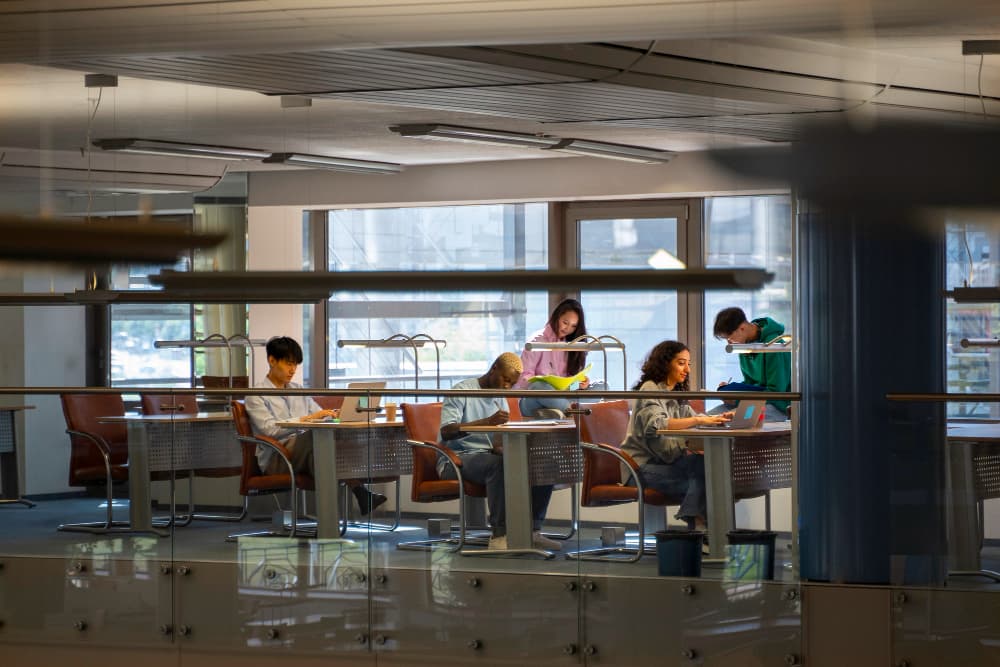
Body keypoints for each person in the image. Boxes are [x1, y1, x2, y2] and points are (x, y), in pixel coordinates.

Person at [245, 336, 387, 516]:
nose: (293, 370)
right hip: (277, 458)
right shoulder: (256, 395)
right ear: (272, 360)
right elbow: (269, 430)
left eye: (295, 364)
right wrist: (308, 419)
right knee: (318, 439)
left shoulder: (298, 390)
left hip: (306, 452)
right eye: (288, 363)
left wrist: (333, 416)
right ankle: (359, 491)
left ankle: (331, 522)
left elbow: (320, 416)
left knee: (321, 454)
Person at [439, 352, 559, 551]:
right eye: (505, 379)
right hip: (457, 459)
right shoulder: (462, 390)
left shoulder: (499, 397)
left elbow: (495, 443)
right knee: (498, 466)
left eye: (511, 384)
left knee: (542, 463)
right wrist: (486, 423)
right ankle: (499, 535)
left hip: (487, 455)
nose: (507, 387)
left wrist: (512, 453)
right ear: (494, 368)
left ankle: (532, 531)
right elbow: (447, 431)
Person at [621, 340, 731, 532]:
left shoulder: (674, 394)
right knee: (706, 483)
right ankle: (699, 527)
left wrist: (717, 418)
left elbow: (693, 418)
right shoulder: (649, 389)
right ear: (665, 363)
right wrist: (699, 422)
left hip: (665, 463)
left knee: (707, 468)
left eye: (689, 364)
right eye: (681, 363)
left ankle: (697, 524)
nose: (687, 369)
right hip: (640, 467)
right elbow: (657, 425)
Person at [712, 307, 791, 421]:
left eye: (730, 338)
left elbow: (776, 392)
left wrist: (737, 399)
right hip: (753, 400)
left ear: (742, 328)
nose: (729, 342)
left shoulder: (775, 345)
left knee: (733, 419)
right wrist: (731, 391)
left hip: (775, 405)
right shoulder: (744, 346)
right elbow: (751, 383)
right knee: (710, 417)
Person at [516, 298, 590, 418]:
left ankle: (561, 409)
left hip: (561, 396)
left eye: (573, 326)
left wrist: (579, 384)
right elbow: (523, 379)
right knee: (540, 387)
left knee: (601, 386)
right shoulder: (537, 341)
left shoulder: (570, 345)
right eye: (565, 323)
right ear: (557, 316)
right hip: (532, 399)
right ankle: (573, 411)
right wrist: (547, 383)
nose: (567, 329)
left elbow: (569, 387)